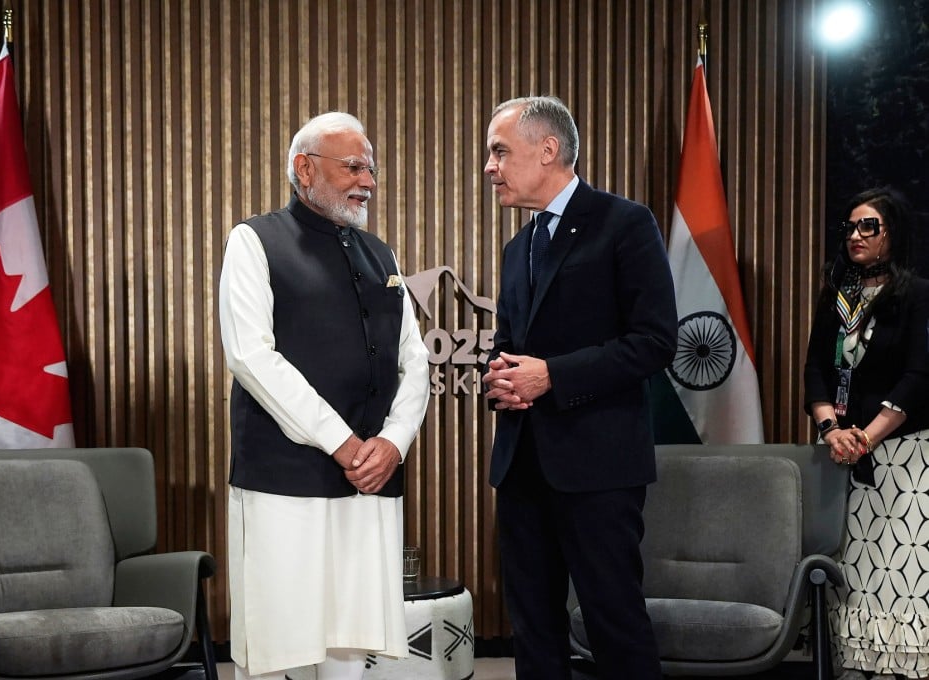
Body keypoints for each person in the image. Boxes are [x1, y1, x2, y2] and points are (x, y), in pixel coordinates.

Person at [218, 111, 430, 680]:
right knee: (276, 644)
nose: (369, 181)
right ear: (304, 169)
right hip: (284, 482)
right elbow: (250, 356)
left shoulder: (381, 255)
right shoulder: (254, 241)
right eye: (354, 166)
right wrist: (342, 443)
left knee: (348, 643)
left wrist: (393, 443)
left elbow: (416, 360)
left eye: (373, 169)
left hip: (370, 481)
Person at [481, 96, 677, 679]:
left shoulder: (624, 222)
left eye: (499, 151)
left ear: (548, 149)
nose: (489, 167)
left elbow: (654, 341)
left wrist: (552, 377)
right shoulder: (519, 248)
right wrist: (500, 377)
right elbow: (510, 342)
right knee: (534, 629)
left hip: (599, 469)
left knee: (613, 623)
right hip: (522, 468)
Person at [803, 187, 929, 680]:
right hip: (836, 452)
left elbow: (919, 377)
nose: (855, 235)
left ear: (892, 233)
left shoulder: (917, 294)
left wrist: (867, 437)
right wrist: (832, 429)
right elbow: (815, 367)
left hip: (900, 455)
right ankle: (849, 667)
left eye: (868, 226)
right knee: (846, 567)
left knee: (898, 569)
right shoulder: (837, 296)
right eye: (850, 227)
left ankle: (902, 670)